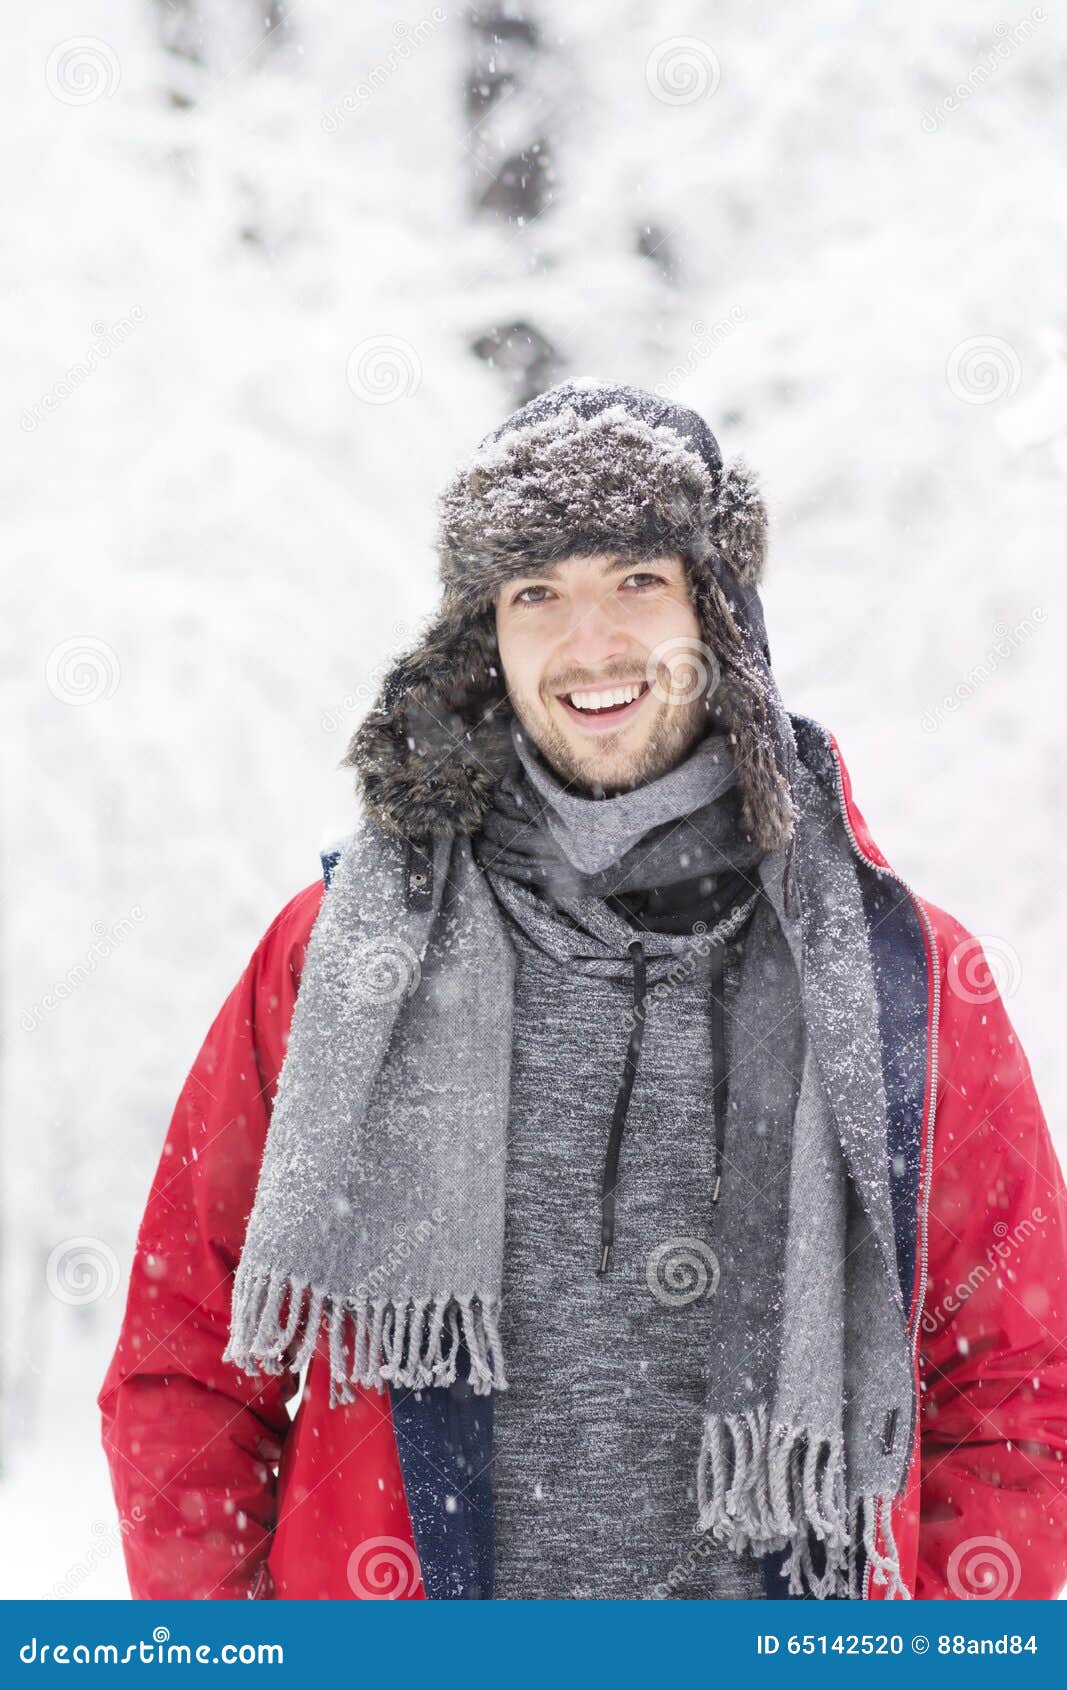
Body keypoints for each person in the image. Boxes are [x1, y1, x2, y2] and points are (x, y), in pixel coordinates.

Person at [98, 380, 1067, 1602]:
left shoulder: (896, 975)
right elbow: (184, 1351)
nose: (588, 642)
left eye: (635, 580)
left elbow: (1021, 1383)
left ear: (716, 611)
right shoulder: (339, 959)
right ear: (485, 638)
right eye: (535, 594)